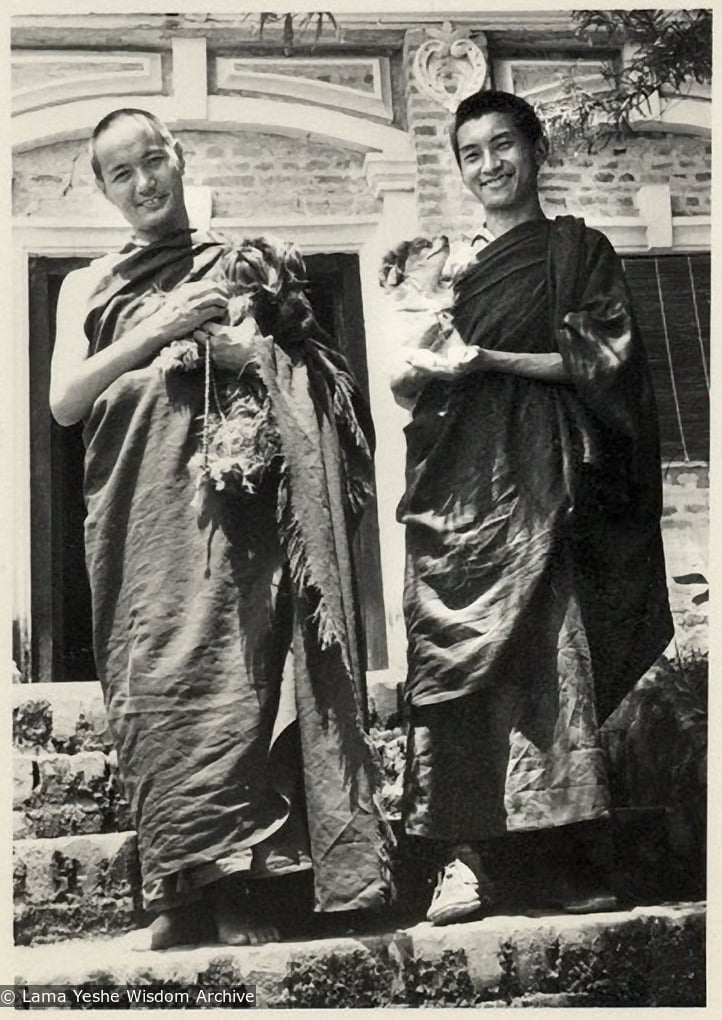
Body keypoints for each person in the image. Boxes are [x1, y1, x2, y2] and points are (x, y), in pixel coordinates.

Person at [49, 108, 390, 950]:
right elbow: (64, 401)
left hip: (228, 515)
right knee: (153, 689)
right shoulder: (83, 284)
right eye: (122, 174)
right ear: (103, 188)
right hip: (137, 522)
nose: (144, 184)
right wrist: (158, 329)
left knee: (235, 683)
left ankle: (240, 884)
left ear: (180, 157)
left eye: (154, 161)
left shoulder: (239, 263)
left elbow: (321, 375)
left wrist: (245, 356)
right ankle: (176, 888)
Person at [394, 90, 673, 925]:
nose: (489, 165)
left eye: (503, 145)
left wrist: (486, 357)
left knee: (554, 659)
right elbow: (414, 384)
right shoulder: (443, 265)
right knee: (454, 663)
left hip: (544, 479)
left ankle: (565, 855)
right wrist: (423, 368)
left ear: (537, 148)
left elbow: (602, 363)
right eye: (471, 153)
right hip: (458, 484)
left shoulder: (576, 251)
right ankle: (465, 862)